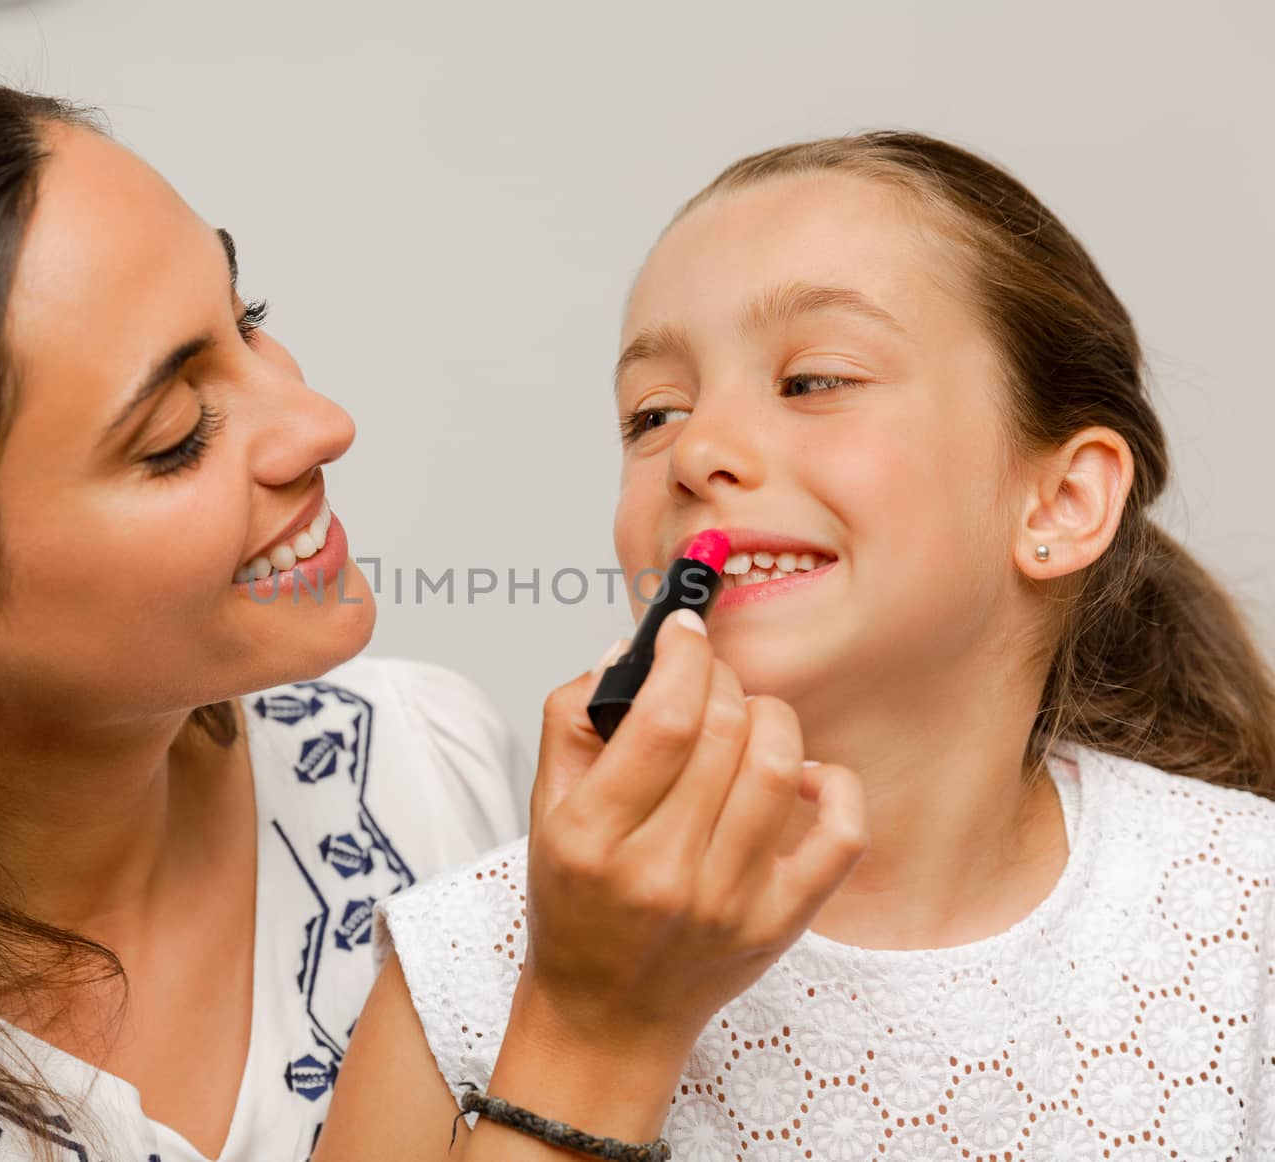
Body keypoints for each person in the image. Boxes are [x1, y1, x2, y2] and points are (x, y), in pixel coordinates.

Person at [315, 131, 1275, 1161]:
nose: (696, 451)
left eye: (814, 380)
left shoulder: (1246, 920)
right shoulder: (467, 964)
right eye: (652, 413)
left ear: (1062, 500)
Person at [0, 68, 523, 1162]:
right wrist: (591, 1045)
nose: (318, 423)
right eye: (174, 434)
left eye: (247, 319)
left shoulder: (422, 766)